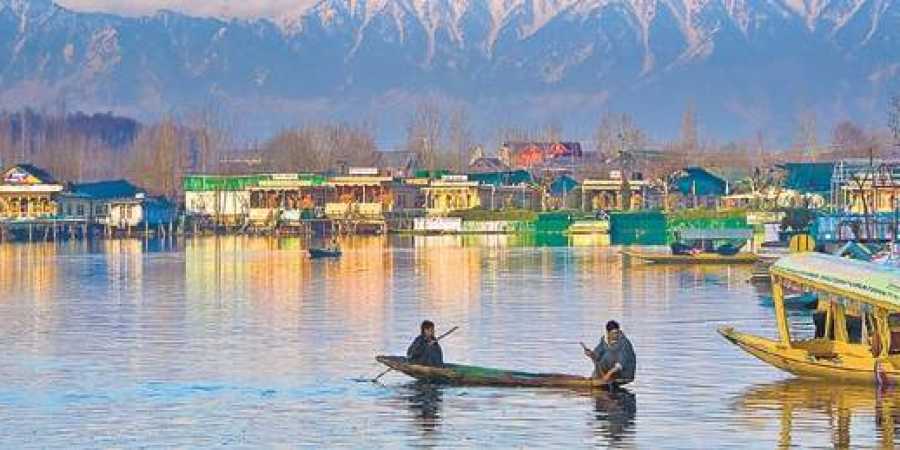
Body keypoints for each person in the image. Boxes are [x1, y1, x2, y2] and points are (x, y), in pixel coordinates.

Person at [584, 320, 636, 384]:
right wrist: (590, 354)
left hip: (625, 373)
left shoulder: (624, 343)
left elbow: (621, 362)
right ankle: (597, 377)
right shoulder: (604, 341)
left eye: (617, 332)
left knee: (607, 355)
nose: (615, 335)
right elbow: (597, 354)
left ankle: (606, 377)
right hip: (609, 373)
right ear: (608, 333)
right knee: (599, 358)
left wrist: (608, 375)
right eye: (613, 333)